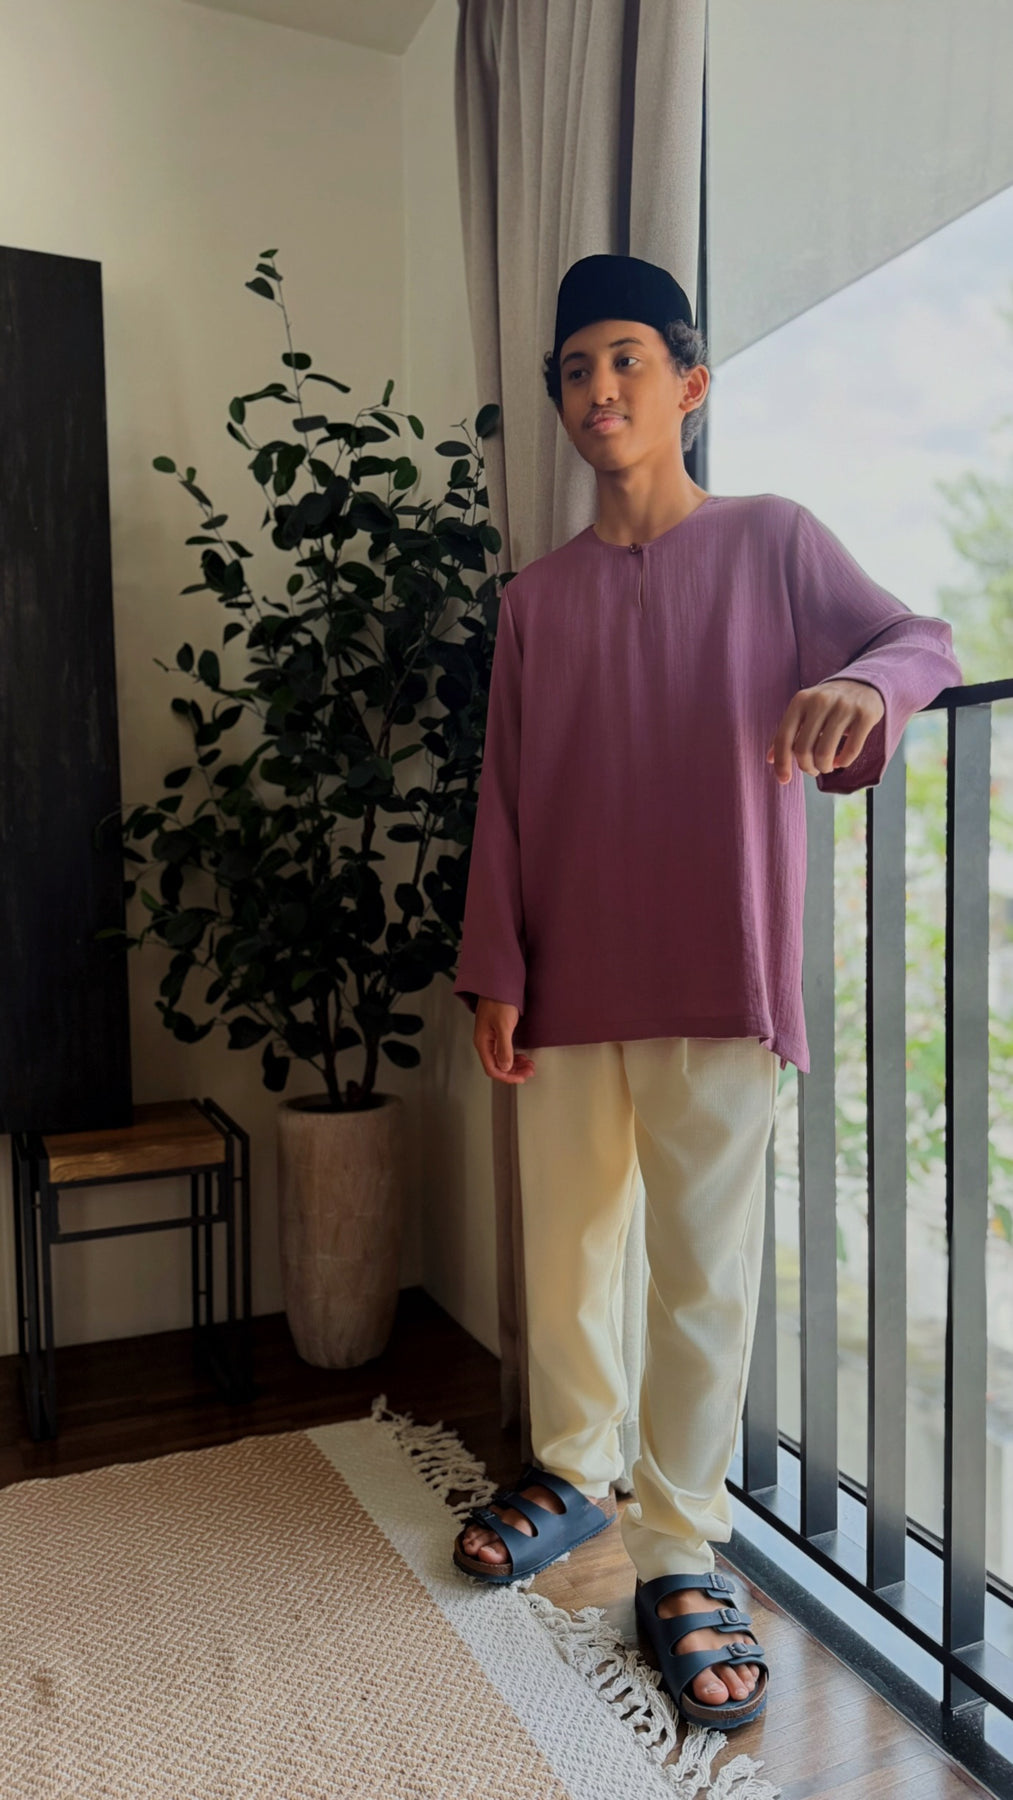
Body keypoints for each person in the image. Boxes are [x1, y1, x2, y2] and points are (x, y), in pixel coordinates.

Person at [448, 252, 962, 1730]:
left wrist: (862, 689)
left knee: (700, 1277)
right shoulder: (534, 600)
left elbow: (919, 642)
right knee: (568, 1250)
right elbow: (505, 796)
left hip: (718, 973)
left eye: (625, 359)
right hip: (561, 976)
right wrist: (496, 969)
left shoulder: (771, 542)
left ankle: (679, 1548)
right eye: (573, 369)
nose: (597, 388)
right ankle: (571, 1469)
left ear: (690, 384)